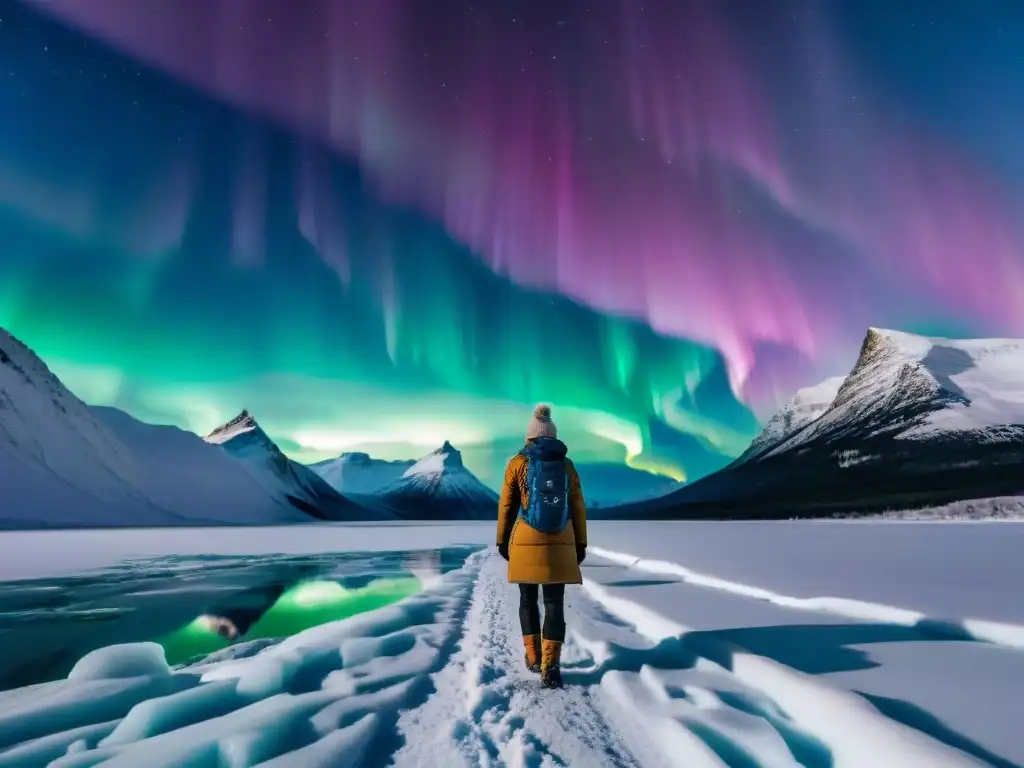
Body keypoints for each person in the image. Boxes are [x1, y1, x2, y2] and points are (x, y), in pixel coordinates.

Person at [496, 403, 587, 688]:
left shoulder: (516, 463)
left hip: (525, 540)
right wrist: (580, 543)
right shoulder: (567, 465)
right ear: (553, 436)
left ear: (529, 436)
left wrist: (502, 540)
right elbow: (577, 507)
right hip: (561, 541)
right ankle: (551, 667)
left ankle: (533, 658)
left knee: (527, 600)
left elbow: (507, 506)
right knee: (554, 603)